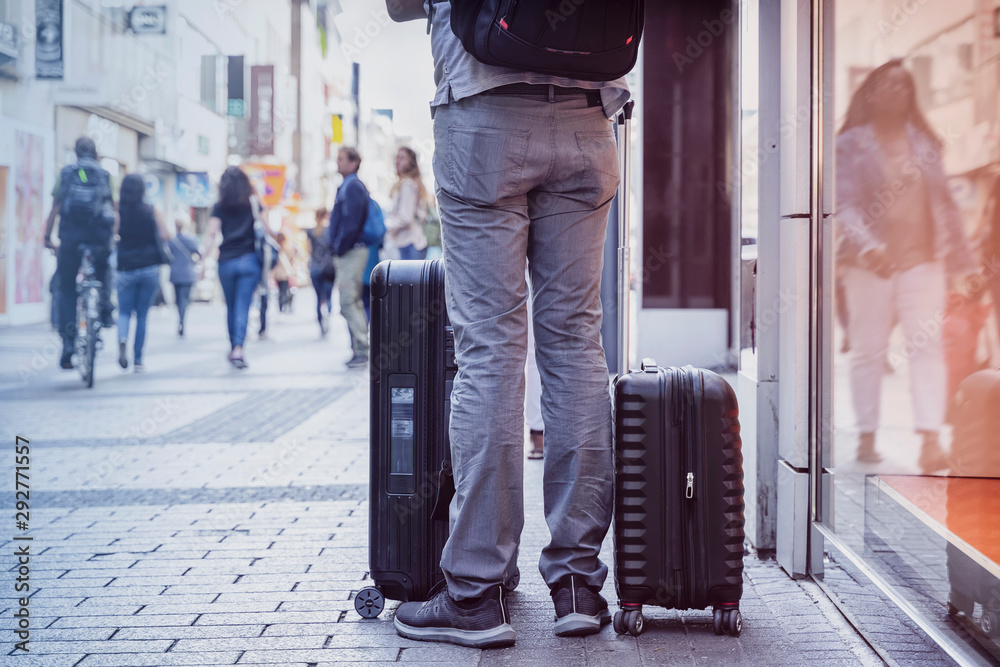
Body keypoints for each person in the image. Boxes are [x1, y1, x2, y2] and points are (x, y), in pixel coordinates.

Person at [387, 0, 630, 649]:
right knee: (576, 344)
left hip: (484, 115)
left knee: (491, 348)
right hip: (586, 121)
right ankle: (578, 581)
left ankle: (475, 592)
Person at [835, 60, 976, 473]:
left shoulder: (925, 144)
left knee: (926, 346)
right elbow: (843, 205)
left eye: (904, 85)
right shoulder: (851, 144)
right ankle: (866, 435)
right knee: (868, 350)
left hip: (923, 262)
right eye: (888, 85)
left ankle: (930, 439)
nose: (897, 92)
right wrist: (869, 247)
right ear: (871, 94)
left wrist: (963, 265)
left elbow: (946, 207)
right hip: (870, 265)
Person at [43, 136, 116, 369]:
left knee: (66, 288)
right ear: (95, 152)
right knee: (104, 271)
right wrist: (114, 236)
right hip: (98, 237)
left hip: (70, 238)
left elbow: (55, 208)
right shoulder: (105, 175)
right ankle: (104, 310)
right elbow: (114, 210)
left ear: (76, 152)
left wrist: (47, 237)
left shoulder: (66, 173)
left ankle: (68, 343)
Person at [205, 166, 262, 370]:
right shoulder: (252, 203)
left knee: (230, 306)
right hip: (249, 260)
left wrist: (203, 260)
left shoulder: (220, 206)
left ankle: (233, 347)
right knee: (243, 305)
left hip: (226, 261)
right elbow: (264, 229)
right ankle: (238, 348)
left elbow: (212, 233)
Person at [115, 174, 172, 371]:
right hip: (149, 268)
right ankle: (138, 359)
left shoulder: (118, 210)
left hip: (125, 268)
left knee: (123, 311)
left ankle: (122, 340)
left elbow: (111, 234)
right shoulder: (151, 209)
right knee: (142, 315)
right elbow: (166, 235)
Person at [327, 146, 372, 369]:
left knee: (347, 301)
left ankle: (362, 349)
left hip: (352, 250)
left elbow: (352, 222)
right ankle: (358, 348)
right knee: (350, 300)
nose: (338, 163)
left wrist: (339, 246)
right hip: (349, 250)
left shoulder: (353, 186)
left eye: (342, 159)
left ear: (354, 162)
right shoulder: (348, 185)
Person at [385, 147, 429, 260]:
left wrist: (386, 226)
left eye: (402, 158)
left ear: (411, 163)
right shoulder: (412, 183)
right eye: (396, 158)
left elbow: (406, 217)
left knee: (405, 277)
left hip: (408, 243)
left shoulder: (407, 184)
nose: (397, 161)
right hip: (411, 243)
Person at [168, 214, 201, 337]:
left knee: (178, 300)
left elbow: (167, 255)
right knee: (185, 300)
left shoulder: (172, 241)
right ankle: (182, 321)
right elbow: (199, 253)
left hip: (175, 273)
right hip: (188, 273)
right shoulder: (191, 240)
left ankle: (180, 320)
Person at [307, 208, 335, 336]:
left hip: (315, 268)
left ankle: (320, 322)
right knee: (329, 296)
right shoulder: (329, 230)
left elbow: (308, 250)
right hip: (328, 267)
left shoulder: (311, 232)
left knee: (318, 298)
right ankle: (328, 316)